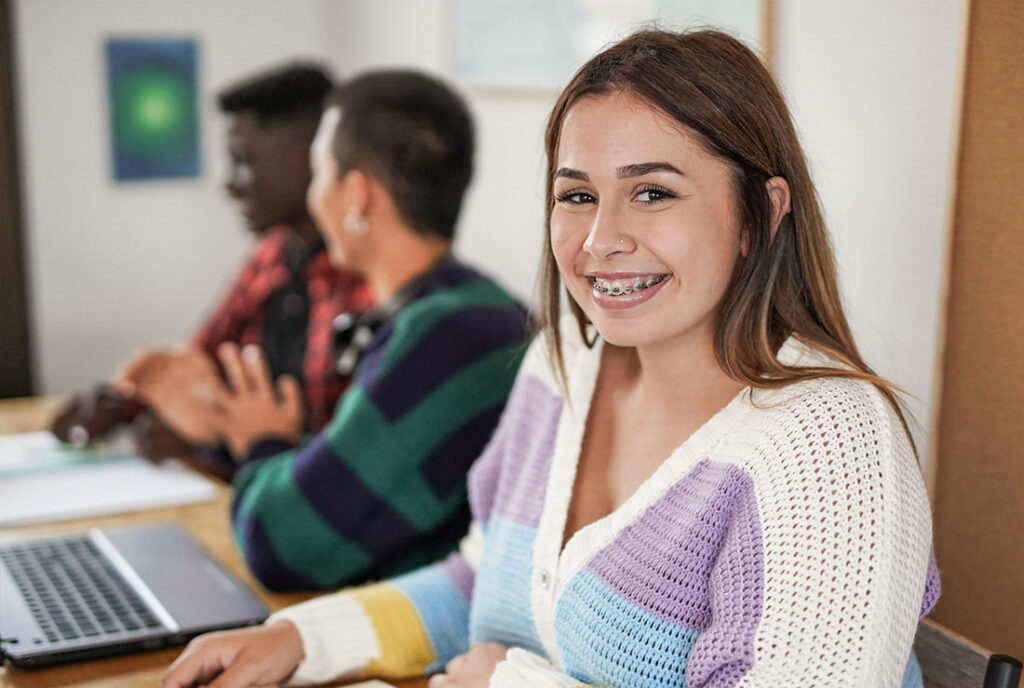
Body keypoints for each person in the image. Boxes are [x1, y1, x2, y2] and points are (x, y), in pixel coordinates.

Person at [160, 29, 940, 688]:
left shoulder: (830, 446)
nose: (601, 241)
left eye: (654, 193)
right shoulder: (564, 360)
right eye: (576, 195)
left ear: (760, 214)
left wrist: (506, 680)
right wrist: (300, 639)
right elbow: (483, 579)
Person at [125, 69, 531, 593]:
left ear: (357, 195)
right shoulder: (457, 310)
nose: (314, 197)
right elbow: (338, 478)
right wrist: (237, 438)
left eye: (319, 174)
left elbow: (281, 546)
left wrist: (261, 441)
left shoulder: (448, 335)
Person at [50, 63, 371, 474]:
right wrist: (119, 403)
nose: (230, 184)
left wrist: (215, 450)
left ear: (308, 158)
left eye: (244, 162)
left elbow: (341, 458)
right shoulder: (274, 253)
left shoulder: (363, 282)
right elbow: (202, 357)